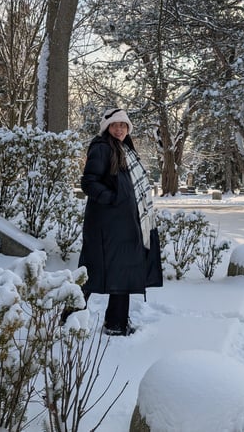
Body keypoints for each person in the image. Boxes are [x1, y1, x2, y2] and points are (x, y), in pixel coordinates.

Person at [62, 108, 162, 336]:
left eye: (123, 126)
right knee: (91, 272)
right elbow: (89, 182)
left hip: (125, 224)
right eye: (115, 125)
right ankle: (68, 319)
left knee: (123, 271)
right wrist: (113, 199)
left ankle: (116, 324)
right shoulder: (102, 147)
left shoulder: (125, 149)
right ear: (107, 127)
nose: (119, 129)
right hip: (106, 225)